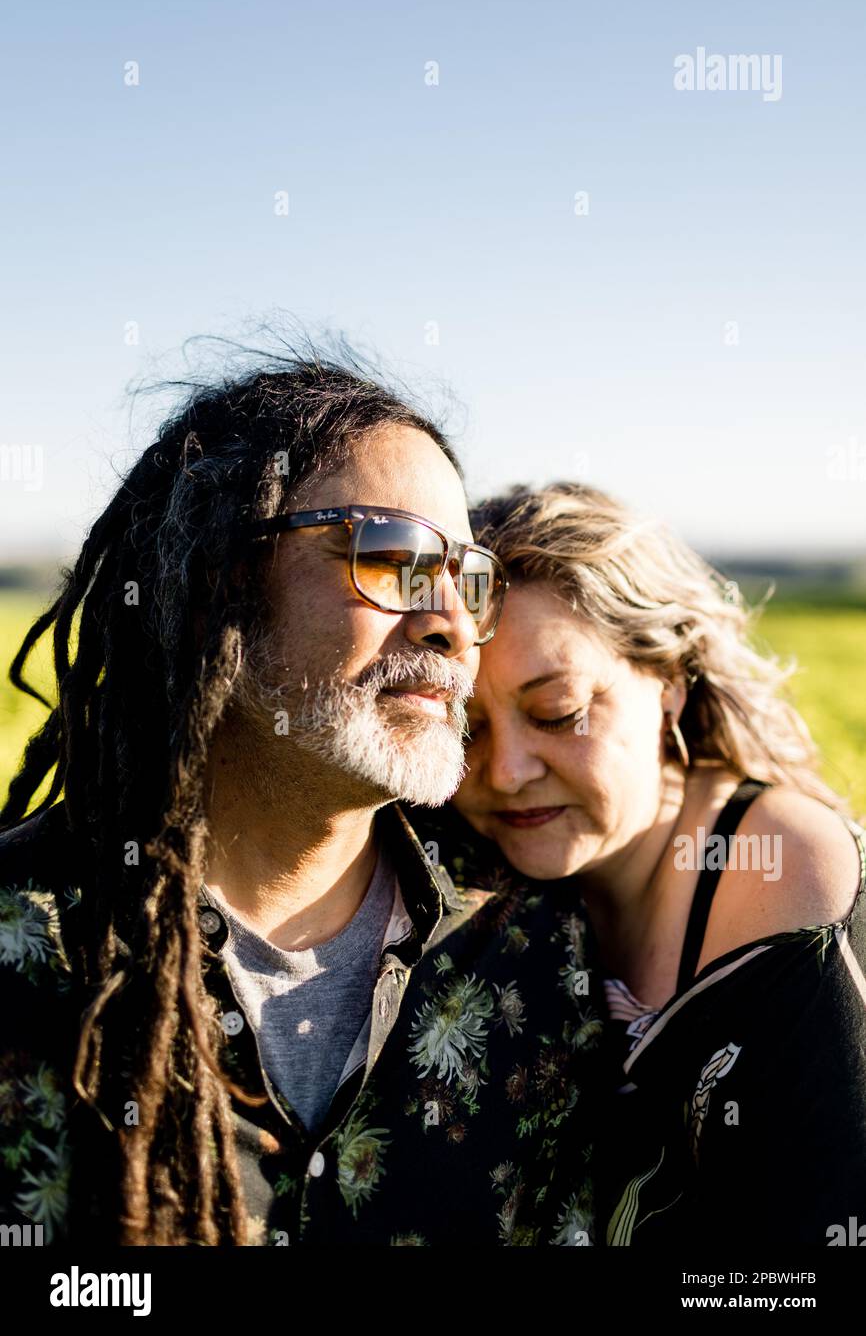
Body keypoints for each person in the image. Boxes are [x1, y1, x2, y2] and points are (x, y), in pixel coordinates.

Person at [0, 350, 603, 1247]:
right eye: (392, 556)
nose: (455, 624)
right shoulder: (25, 950)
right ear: (219, 592)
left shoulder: (532, 945)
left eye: (468, 577)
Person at [425, 480, 866, 1246]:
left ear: (666, 681)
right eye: (466, 728)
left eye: (557, 712)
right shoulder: (463, 863)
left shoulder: (781, 874)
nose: (503, 772)